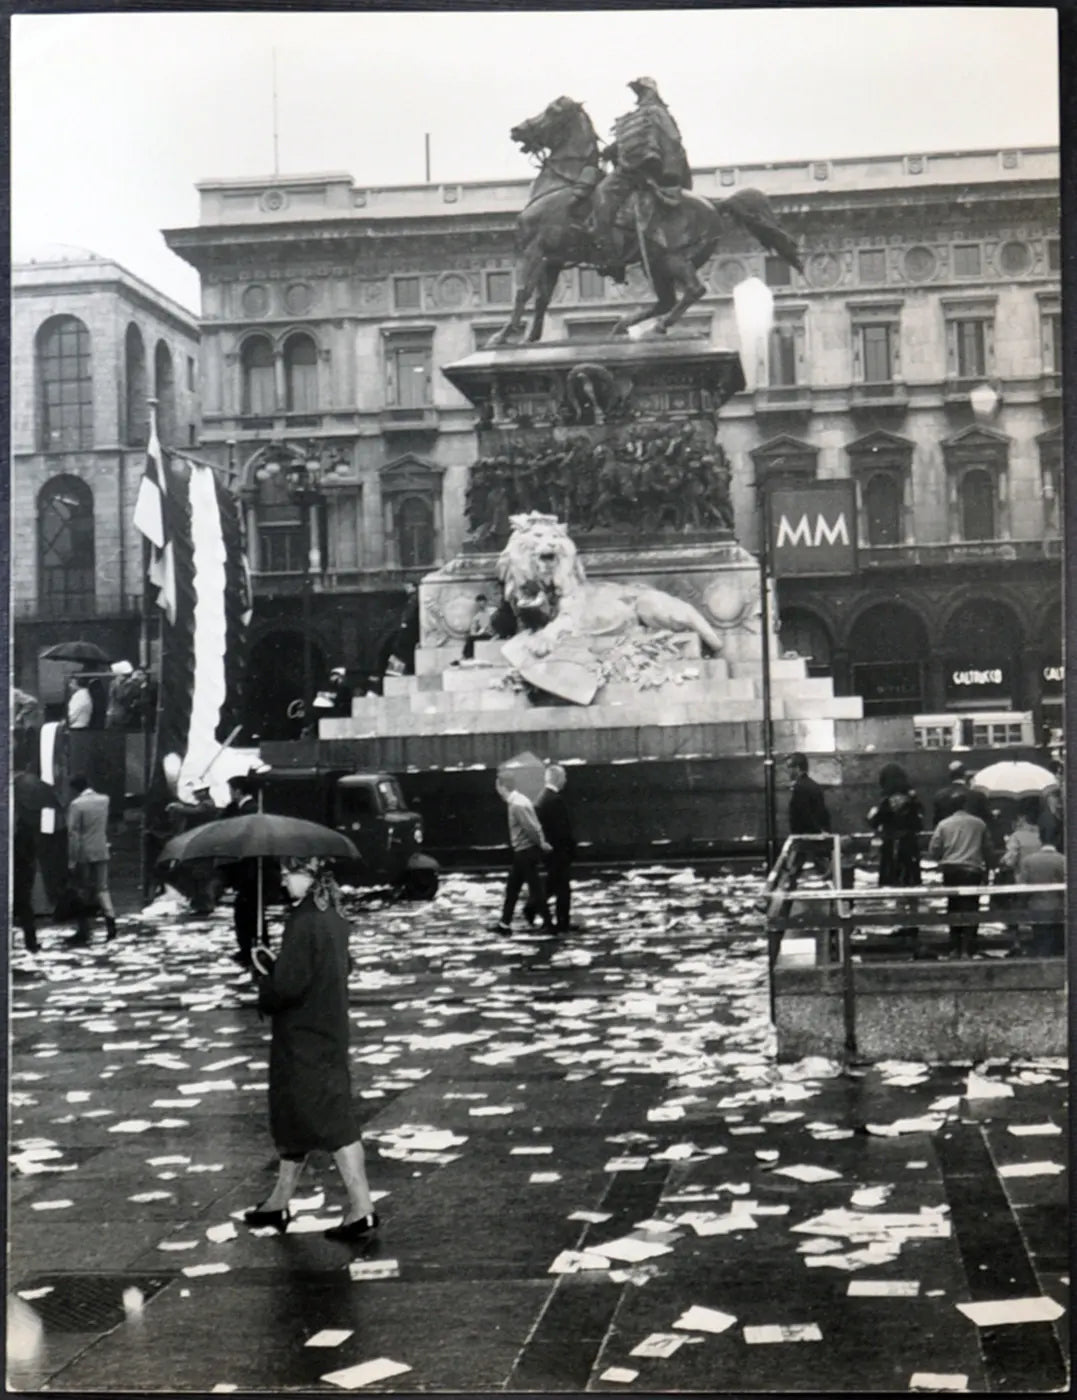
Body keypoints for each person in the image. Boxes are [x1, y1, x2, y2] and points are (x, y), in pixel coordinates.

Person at [245, 857, 378, 1242]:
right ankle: (278, 1201)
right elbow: (338, 966)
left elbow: (288, 986)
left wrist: (265, 974)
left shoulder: (303, 919)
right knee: (297, 1116)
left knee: (327, 1116)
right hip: (328, 1025)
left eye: (290, 874)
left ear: (308, 875)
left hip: (304, 1034)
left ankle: (362, 1207)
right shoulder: (333, 913)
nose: (285, 881)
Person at [591, 76, 692, 279]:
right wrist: (611, 150)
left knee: (602, 192)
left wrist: (657, 165)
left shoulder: (657, 113)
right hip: (631, 167)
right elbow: (630, 142)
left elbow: (671, 140)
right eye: (638, 93)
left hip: (642, 170)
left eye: (642, 92)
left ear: (651, 93)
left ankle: (610, 255)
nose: (639, 97)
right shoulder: (639, 116)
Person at [928, 789, 995, 959]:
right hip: (972, 870)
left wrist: (941, 856)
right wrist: (990, 868)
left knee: (953, 906)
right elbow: (988, 849)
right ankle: (968, 947)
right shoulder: (979, 824)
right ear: (965, 804)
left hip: (951, 870)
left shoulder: (943, 824)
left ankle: (954, 946)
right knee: (971, 906)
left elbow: (934, 849)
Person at [492, 772, 553, 934]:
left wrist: (541, 843)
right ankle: (504, 923)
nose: (497, 789)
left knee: (534, 889)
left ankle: (548, 923)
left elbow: (530, 827)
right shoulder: (518, 801)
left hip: (525, 851)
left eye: (497, 785)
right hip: (523, 851)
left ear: (503, 786)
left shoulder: (517, 805)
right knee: (513, 888)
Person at [526, 764, 579, 933]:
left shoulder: (542, 798)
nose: (565, 780)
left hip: (549, 851)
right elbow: (562, 829)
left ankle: (534, 908)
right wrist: (570, 848)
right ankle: (559, 921)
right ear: (558, 778)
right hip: (558, 851)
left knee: (554, 885)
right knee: (562, 888)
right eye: (564, 777)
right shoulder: (555, 800)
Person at [66, 775, 117, 946]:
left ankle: (84, 928)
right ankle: (111, 923)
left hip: (84, 852)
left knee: (82, 889)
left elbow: (73, 834)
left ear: (74, 789)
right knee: (103, 888)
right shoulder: (104, 800)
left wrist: (72, 859)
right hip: (101, 848)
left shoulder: (76, 805)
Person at [223, 774, 265, 967]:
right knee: (252, 911)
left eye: (231, 790)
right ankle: (252, 947)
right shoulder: (242, 809)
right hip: (249, 872)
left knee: (247, 911)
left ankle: (250, 949)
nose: (230, 794)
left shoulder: (249, 811)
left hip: (250, 871)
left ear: (238, 791)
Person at [1016, 840, 1065, 957]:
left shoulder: (1028, 860)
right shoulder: (1063, 860)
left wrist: (1022, 903)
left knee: (1040, 937)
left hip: (1035, 905)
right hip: (1058, 906)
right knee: (1056, 940)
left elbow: (1023, 885)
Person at [12, 780, 41, 954]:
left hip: (22, 869)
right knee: (24, 908)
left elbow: (30, 848)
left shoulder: (25, 820)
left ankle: (31, 942)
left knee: (24, 907)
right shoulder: (25, 819)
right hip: (22, 868)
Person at [932, 760, 991, 826]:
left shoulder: (939, 795)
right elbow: (986, 820)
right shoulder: (978, 796)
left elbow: (936, 821)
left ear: (950, 776)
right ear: (965, 775)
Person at [462, 594, 495, 661]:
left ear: (486, 602)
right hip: (485, 634)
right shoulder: (478, 615)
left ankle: (467, 656)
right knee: (470, 638)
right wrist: (475, 633)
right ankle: (467, 656)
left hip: (493, 634)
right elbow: (473, 627)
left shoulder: (492, 611)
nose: (481, 605)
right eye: (479, 603)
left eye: (482, 603)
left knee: (471, 638)